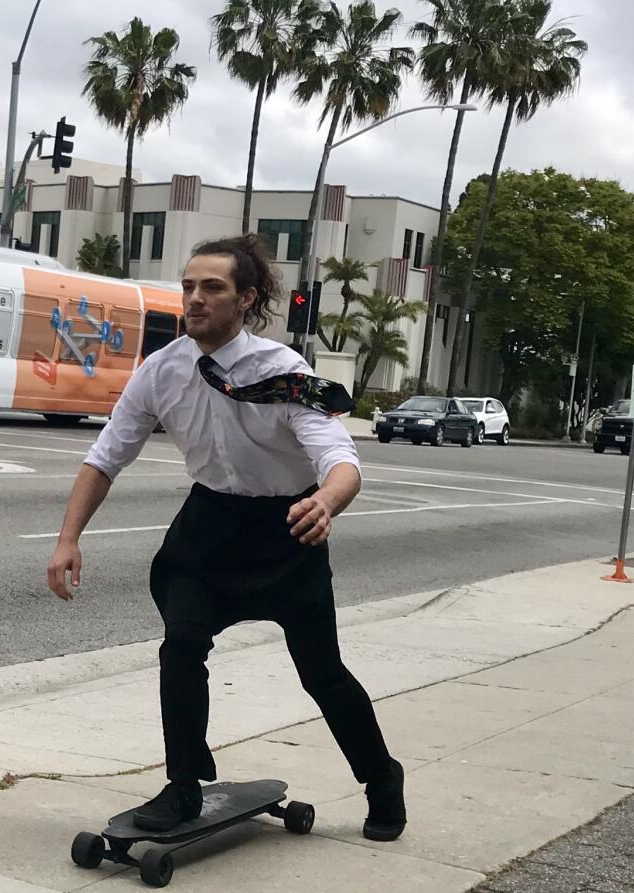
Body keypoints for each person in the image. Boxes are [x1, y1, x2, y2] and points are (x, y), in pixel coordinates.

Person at [46, 234, 405, 842]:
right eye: (188, 286)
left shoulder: (284, 373)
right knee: (181, 645)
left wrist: (326, 501)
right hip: (208, 531)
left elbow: (341, 458)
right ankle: (184, 786)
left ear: (247, 299)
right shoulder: (161, 371)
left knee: (322, 673)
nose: (194, 298)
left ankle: (381, 777)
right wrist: (68, 538)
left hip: (286, 533)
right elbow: (106, 456)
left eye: (211, 287)